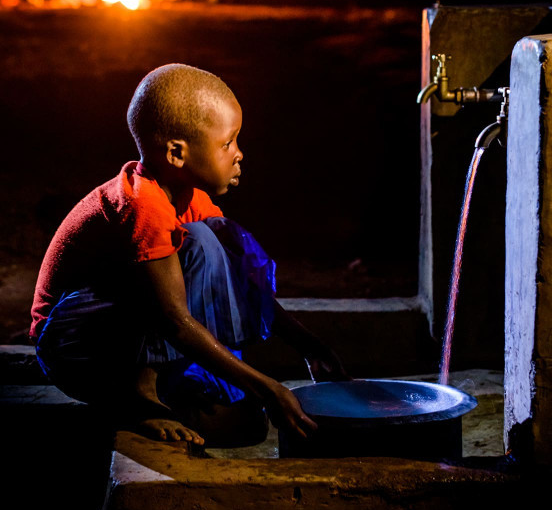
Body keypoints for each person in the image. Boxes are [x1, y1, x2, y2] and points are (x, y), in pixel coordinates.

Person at [31, 63, 347, 446]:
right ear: (177, 154)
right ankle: (140, 397)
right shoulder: (142, 205)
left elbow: (246, 285)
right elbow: (174, 321)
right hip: (75, 346)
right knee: (199, 243)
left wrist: (309, 347)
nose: (239, 154)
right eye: (227, 143)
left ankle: (160, 388)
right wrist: (269, 388)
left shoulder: (190, 198)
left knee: (246, 426)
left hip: (128, 337)